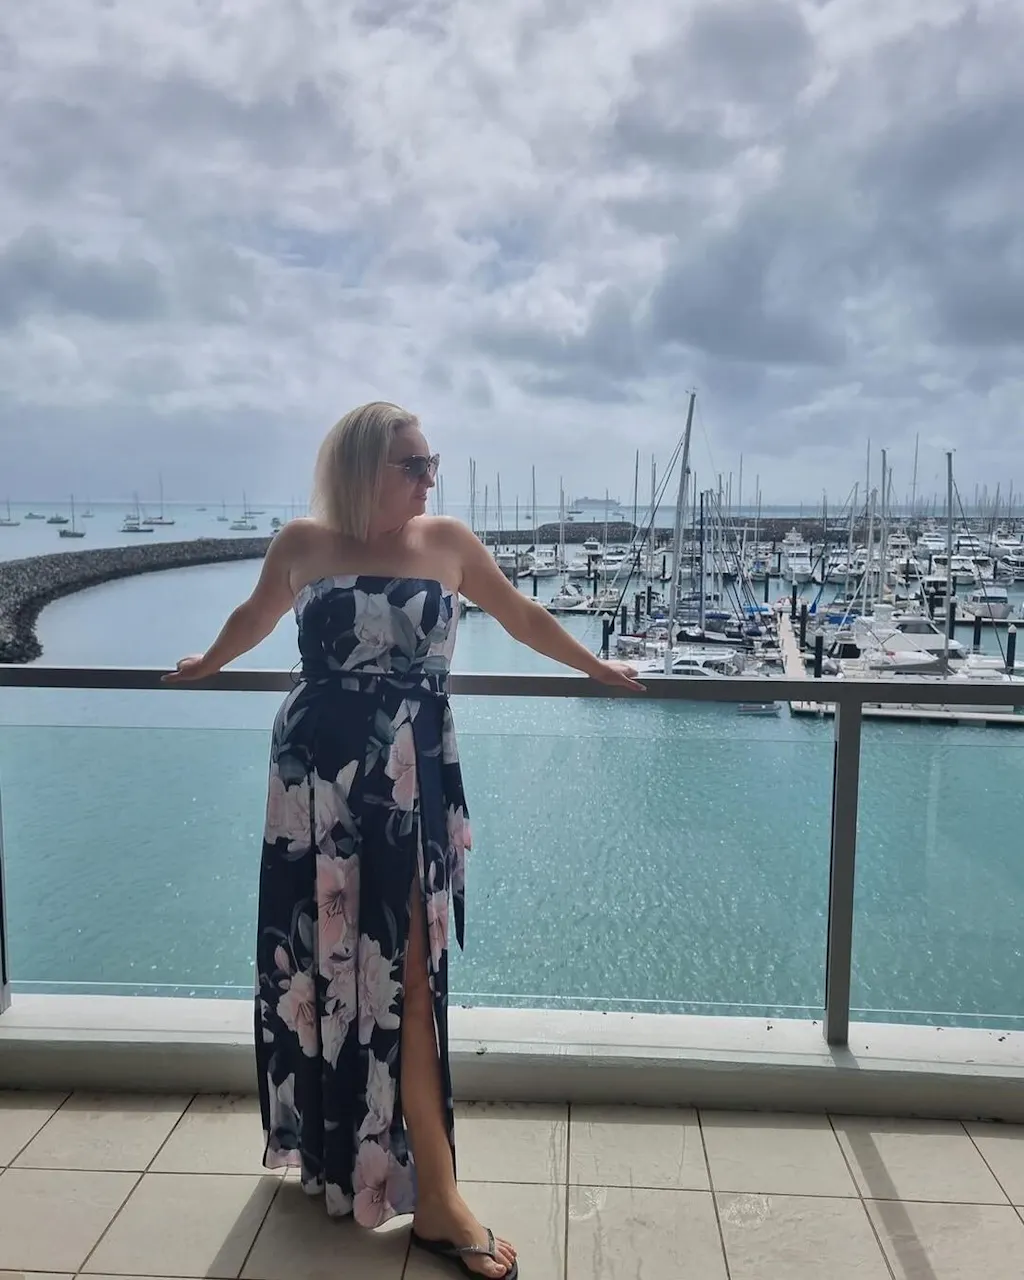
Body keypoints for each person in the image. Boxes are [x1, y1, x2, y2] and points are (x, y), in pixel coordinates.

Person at [164, 402, 641, 1279]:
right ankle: (337, 1157)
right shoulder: (303, 543)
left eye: (432, 463)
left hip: (408, 780)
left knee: (407, 977)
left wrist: (595, 665)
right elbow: (255, 614)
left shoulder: (447, 541)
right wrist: (209, 662)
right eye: (412, 464)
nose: (429, 479)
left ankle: (438, 1196)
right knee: (316, 966)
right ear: (362, 468)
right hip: (313, 779)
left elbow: (521, 616)